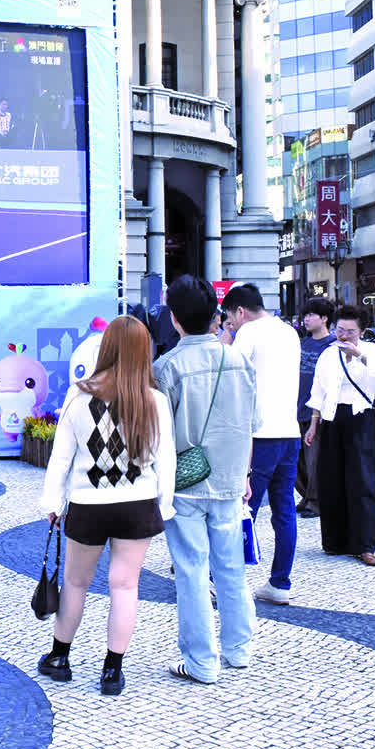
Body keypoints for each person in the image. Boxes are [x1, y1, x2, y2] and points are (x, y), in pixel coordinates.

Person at [37, 315, 175, 696]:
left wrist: (53, 502)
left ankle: (59, 658)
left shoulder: (78, 397)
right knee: (125, 586)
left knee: (76, 583)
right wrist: (165, 505)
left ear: (107, 347)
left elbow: (60, 459)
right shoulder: (154, 400)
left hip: (87, 504)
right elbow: (166, 460)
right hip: (137, 503)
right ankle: (112, 671)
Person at [152, 278, 258, 683]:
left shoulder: (166, 368)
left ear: (175, 319)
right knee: (231, 566)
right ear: (216, 316)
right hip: (231, 478)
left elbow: (158, 436)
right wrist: (246, 471)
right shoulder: (240, 362)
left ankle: (201, 661)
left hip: (185, 482)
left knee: (192, 569)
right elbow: (253, 423)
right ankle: (238, 648)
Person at [220, 282, 302, 606]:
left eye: (230, 318)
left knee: (243, 509)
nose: (231, 323)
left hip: (258, 436)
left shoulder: (249, 333)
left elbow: (228, 374)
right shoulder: (289, 332)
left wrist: (226, 338)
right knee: (284, 510)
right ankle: (280, 582)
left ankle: (219, 581)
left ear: (240, 311)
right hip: (289, 433)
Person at [305, 305, 375, 566]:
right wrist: (313, 425)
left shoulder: (372, 352)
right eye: (340, 330)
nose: (344, 335)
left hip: (360, 419)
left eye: (350, 331)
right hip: (332, 420)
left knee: (363, 482)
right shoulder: (328, 355)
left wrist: (360, 356)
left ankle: (364, 544)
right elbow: (318, 391)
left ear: (362, 331)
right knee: (331, 480)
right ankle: (334, 540)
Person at [295, 296, 335, 519]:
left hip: (317, 412)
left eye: (311, 315)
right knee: (297, 459)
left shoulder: (332, 346)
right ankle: (306, 496)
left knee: (314, 459)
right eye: (306, 315)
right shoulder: (302, 344)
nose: (306, 319)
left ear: (324, 318)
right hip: (297, 407)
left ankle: (316, 501)